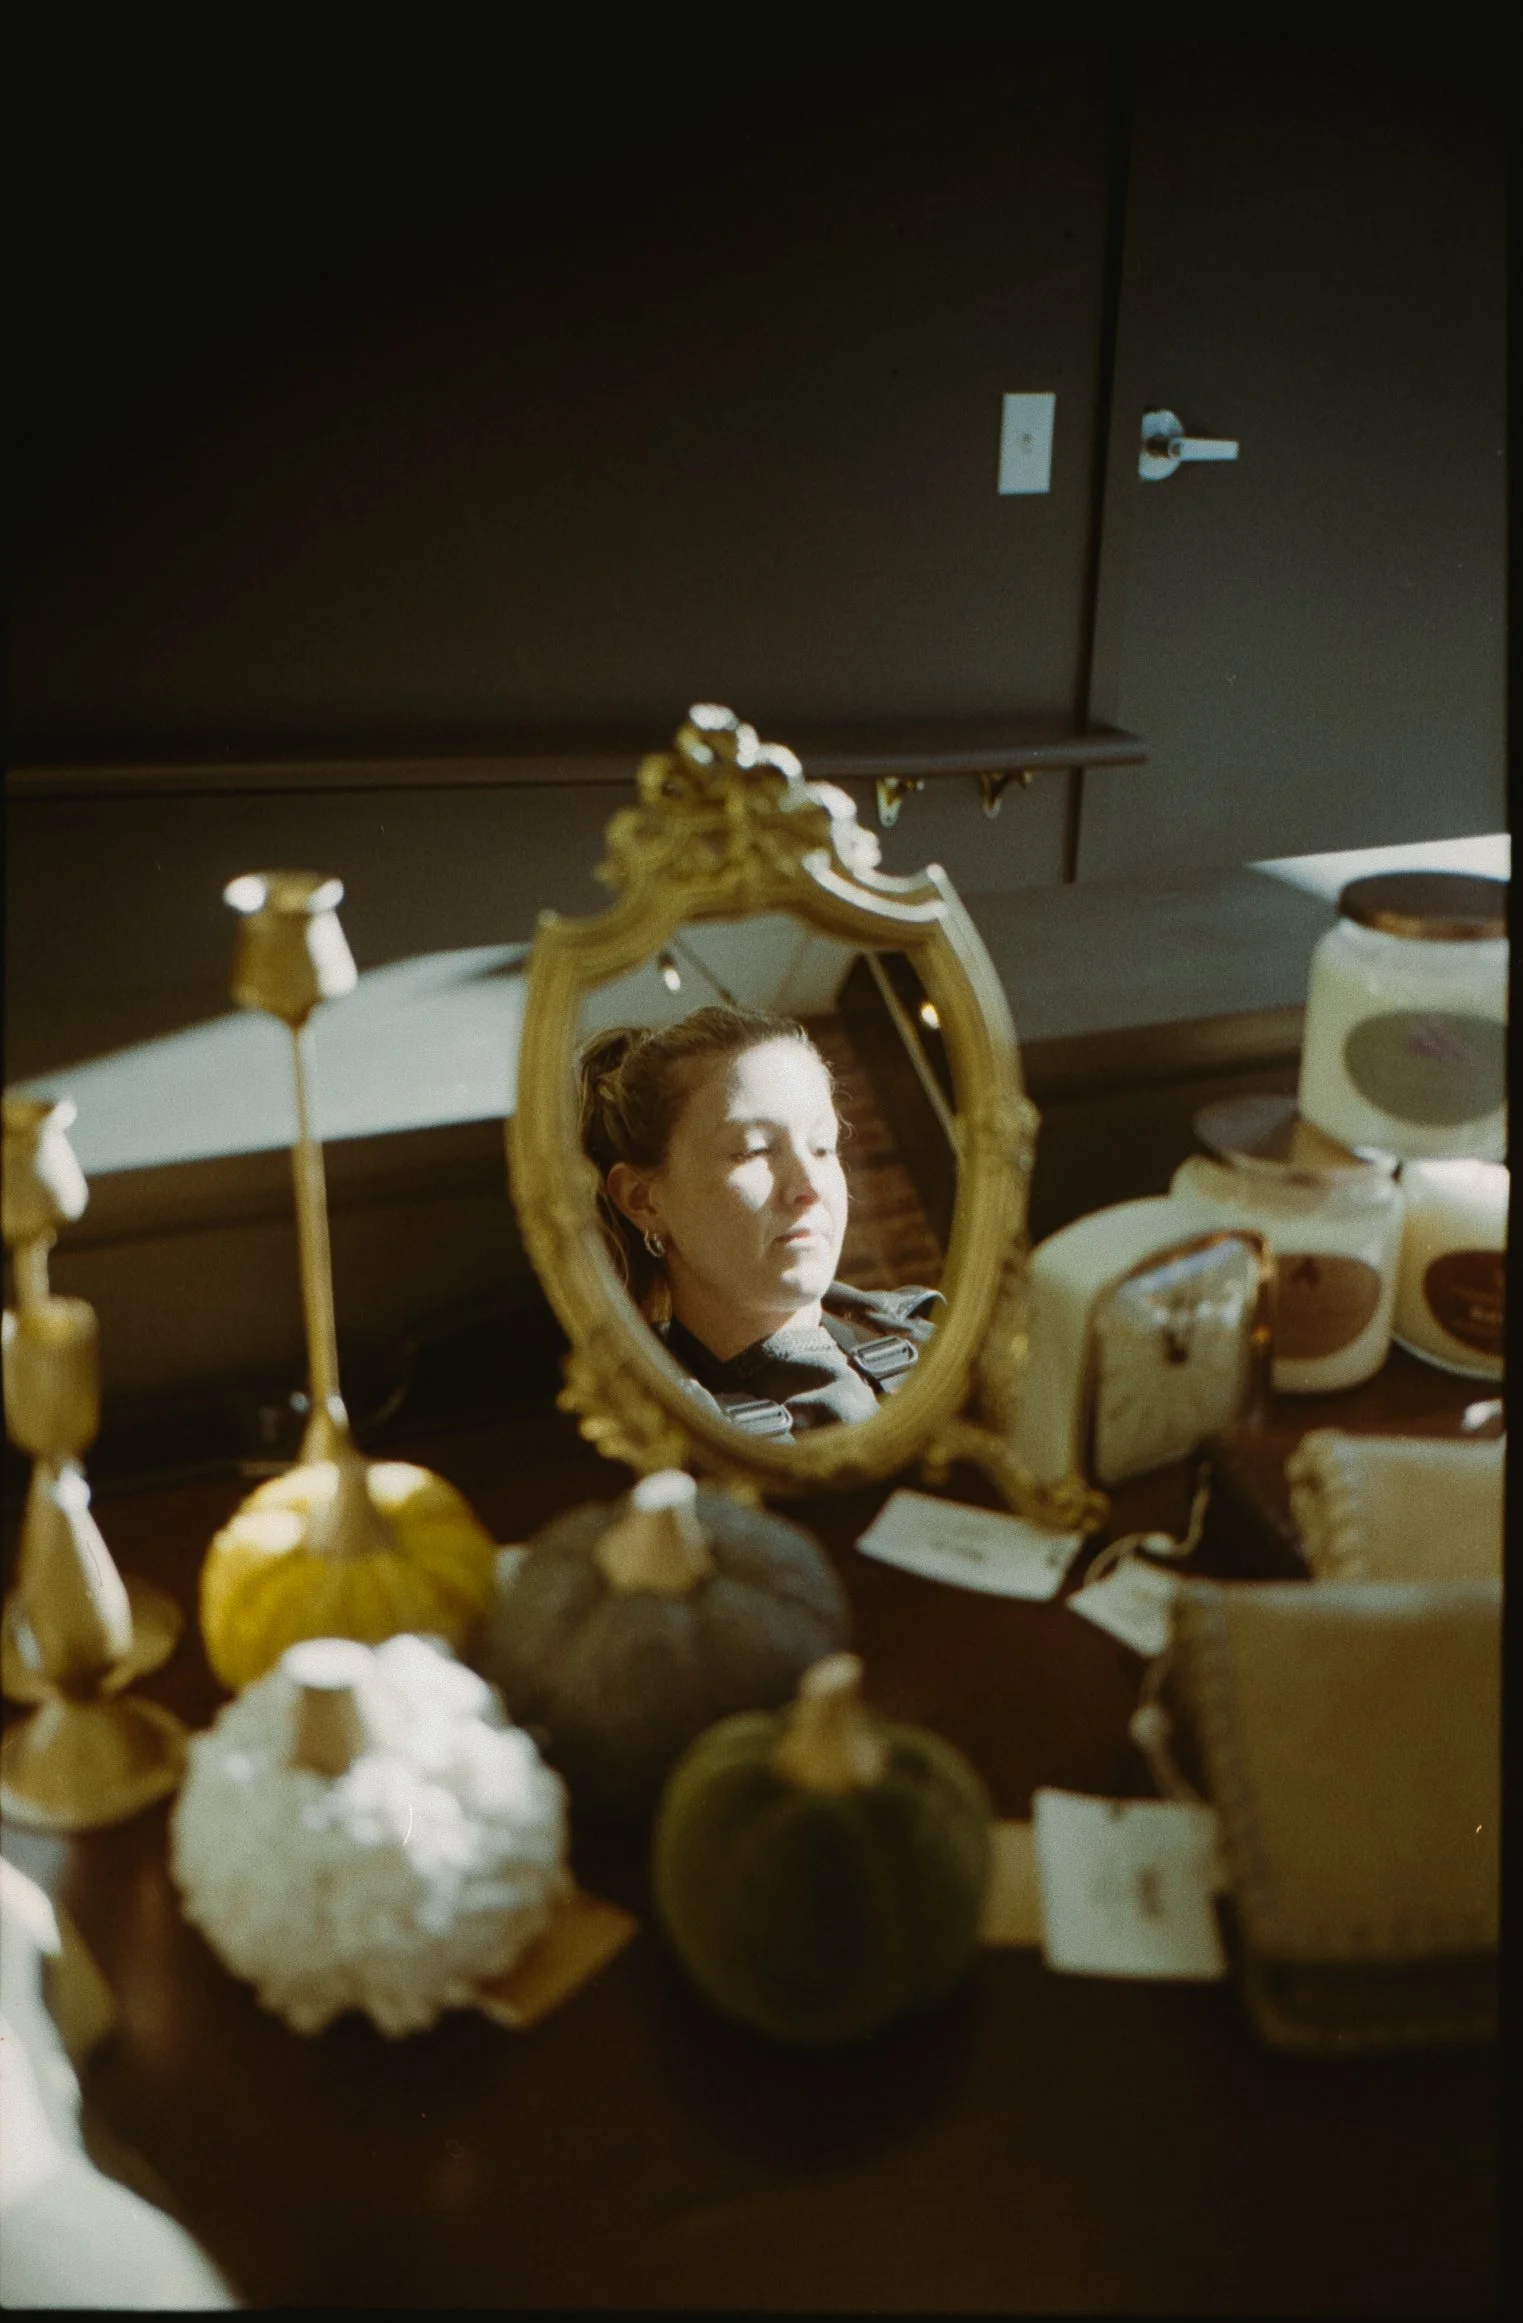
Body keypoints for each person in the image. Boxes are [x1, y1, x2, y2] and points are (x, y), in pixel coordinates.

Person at [578, 1004, 943, 1438]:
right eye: (754, 1151)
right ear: (643, 1200)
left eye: (822, 1146)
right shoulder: (669, 1437)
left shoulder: (936, 1332)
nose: (809, 1185)